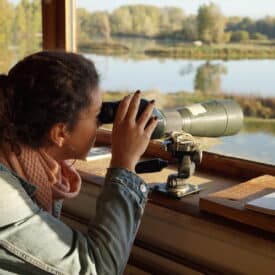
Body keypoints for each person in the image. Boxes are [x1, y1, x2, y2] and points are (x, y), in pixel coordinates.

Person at [0, 51, 158, 275]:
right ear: (60, 133)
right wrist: (124, 164)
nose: (101, 123)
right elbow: (99, 269)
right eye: (96, 115)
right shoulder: (5, 193)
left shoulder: (19, 154)